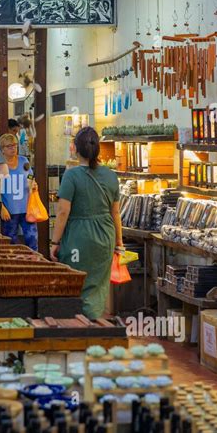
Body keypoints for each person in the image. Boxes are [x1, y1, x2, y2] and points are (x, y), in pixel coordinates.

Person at [50, 126, 124, 320]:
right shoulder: (111, 176)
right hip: (105, 236)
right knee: (97, 284)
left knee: (76, 280)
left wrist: (55, 242)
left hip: (78, 236)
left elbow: (63, 211)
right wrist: (119, 243)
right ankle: (93, 320)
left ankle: (77, 323)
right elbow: (115, 212)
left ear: (75, 148)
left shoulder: (71, 176)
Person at [0, 133, 38, 250]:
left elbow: (30, 176)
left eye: (15, 145)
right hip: (9, 211)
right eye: (9, 146)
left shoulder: (23, 160)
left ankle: (35, 265)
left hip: (27, 209)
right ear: (2, 149)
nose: (13, 148)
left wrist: (33, 184)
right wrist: (1, 207)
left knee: (32, 240)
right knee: (10, 243)